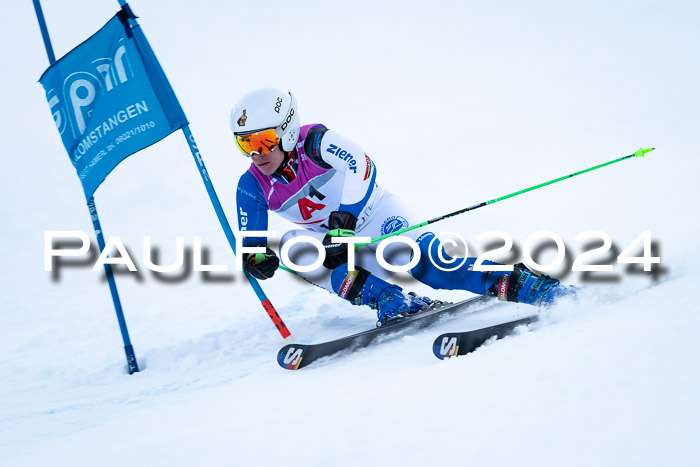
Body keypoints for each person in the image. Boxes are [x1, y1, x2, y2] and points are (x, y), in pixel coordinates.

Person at [232, 88, 571, 325]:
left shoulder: (317, 141)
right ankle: (389, 299)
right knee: (294, 247)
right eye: (244, 143)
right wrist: (257, 259)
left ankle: (522, 283)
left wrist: (343, 225)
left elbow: (362, 166)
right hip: (339, 249)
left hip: (375, 217)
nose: (256, 154)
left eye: (263, 140)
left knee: (433, 267)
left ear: (287, 130)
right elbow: (252, 244)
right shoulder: (250, 187)